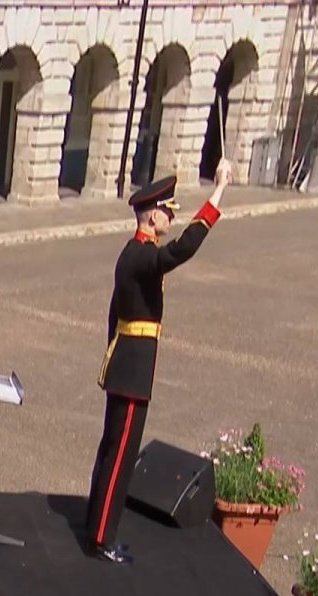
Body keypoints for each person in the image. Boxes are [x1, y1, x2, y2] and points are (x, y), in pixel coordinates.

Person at [86, 161, 231, 563]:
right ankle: (102, 538)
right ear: (152, 214)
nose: (171, 215)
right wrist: (217, 193)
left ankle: (97, 526)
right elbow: (182, 250)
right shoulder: (139, 255)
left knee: (113, 450)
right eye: (168, 209)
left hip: (128, 366)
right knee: (120, 457)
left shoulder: (136, 254)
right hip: (131, 371)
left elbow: (114, 313)